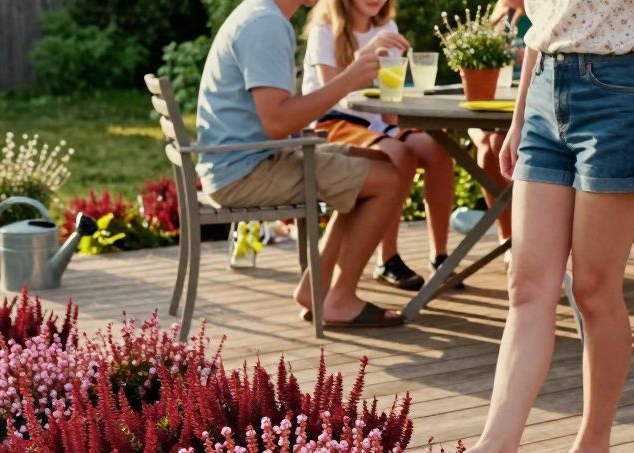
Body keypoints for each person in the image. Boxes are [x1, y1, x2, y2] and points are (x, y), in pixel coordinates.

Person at [414, 0, 634, 453]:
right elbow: (542, 29)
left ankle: (593, 445)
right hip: (543, 91)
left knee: (594, 288)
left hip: (620, 93)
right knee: (526, 284)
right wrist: (521, 116)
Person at [195, 0, 409, 328]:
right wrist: (350, 77)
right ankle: (341, 300)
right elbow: (277, 121)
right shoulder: (265, 24)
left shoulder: (262, 14)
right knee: (388, 181)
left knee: (378, 162)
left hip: (249, 158)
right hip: (246, 170)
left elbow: (275, 118)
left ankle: (315, 287)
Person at [302, 0, 456, 292]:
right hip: (332, 121)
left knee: (437, 151)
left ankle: (440, 256)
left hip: (376, 122)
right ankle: (388, 258)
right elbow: (331, 91)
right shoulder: (325, 30)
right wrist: (364, 54)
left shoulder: (387, 27)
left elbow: (387, 109)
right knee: (399, 153)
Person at [468, 0, 531, 247]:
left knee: (496, 143)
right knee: (487, 143)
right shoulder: (500, 16)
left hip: (529, 103)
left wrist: (522, 56)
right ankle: (508, 239)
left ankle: (525, 236)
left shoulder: (540, 11)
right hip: (496, 104)